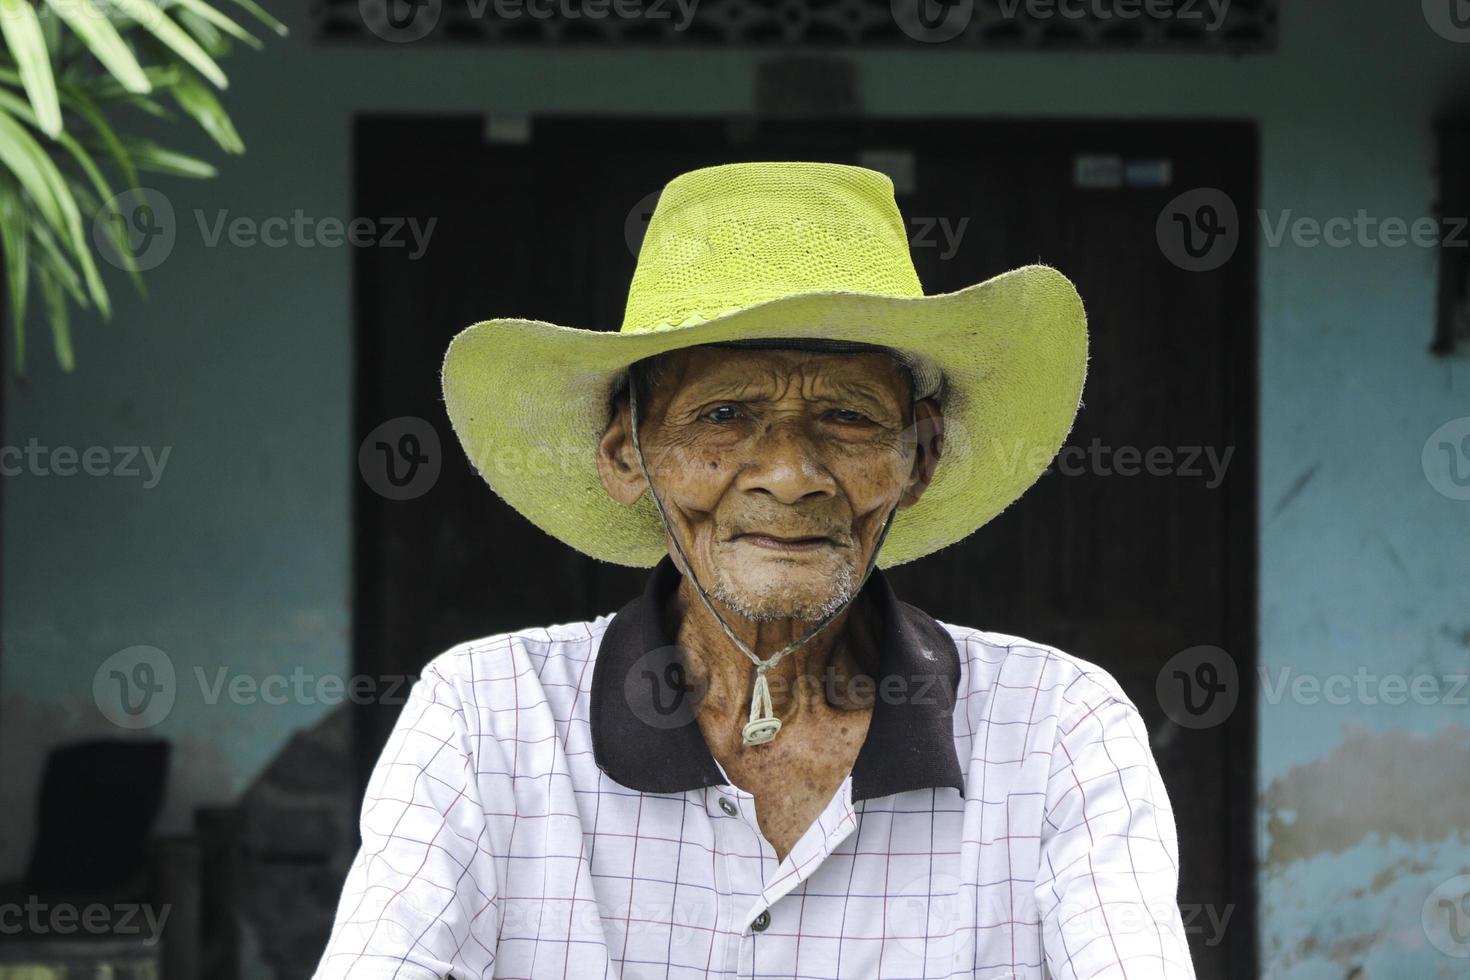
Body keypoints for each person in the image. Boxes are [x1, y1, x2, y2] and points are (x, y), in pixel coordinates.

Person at [315, 160, 1195, 979]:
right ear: (627, 458)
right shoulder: (485, 716)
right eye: (724, 413)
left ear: (920, 458)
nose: (789, 473)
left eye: (847, 417)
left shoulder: (1058, 730)